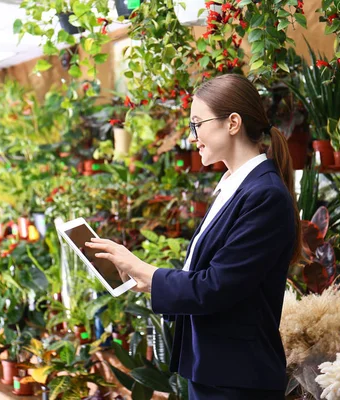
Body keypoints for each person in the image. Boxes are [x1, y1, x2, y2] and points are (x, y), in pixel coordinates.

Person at [85, 74, 301, 400]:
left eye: (197, 123)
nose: (192, 137)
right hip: (214, 370)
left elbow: (217, 287)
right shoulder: (235, 186)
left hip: (238, 380)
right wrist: (139, 276)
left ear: (233, 123)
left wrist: (146, 271)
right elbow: (201, 277)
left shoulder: (264, 195)